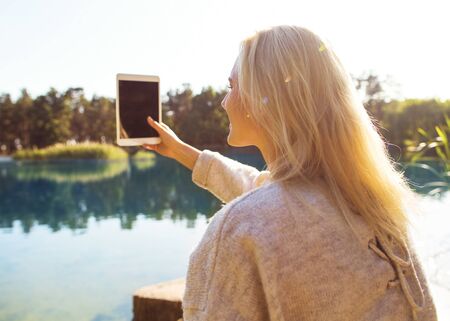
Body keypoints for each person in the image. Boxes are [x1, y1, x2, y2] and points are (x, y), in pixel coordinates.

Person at [142, 25, 438, 321]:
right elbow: (266, 194)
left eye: (232, 87)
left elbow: (265, 212)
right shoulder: (371, 203)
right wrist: (183, 151)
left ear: (263, 98)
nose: (224, 102)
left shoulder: (241, 229)